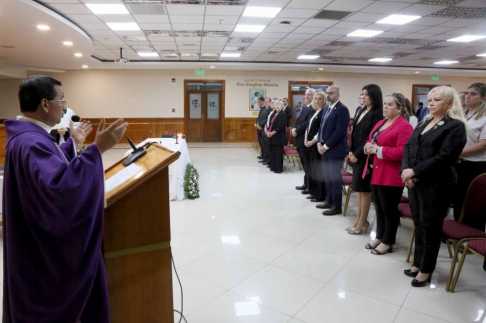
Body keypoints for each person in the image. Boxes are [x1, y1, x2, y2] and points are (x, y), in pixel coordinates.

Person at [2, 75, 128, 321]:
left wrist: (73, 144)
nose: (66, 105)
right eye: (62, 100)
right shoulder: (29, 141)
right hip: (40, 261)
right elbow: (60, 190)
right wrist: (96, 150)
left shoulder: (29, 136)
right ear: (45, 104)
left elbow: (46, 170)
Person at [402, 86, 467, 287]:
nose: (431, 103)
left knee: (431, 227)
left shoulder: (454, 126)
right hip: (415, 182)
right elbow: (408, 146)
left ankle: (426, 269)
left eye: (437, 100)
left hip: (437, 185)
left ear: (449, 103)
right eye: (430, 100)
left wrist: (415, 171)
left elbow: (444, 157)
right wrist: (406, 171)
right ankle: (418, 263)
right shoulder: (425, 122)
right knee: (419, 225)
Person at [362, 93, 413, 254]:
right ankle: (380, 236)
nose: (385, 107)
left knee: (389, 209)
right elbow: (371, 140)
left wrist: (379, 150)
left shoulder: (404, 126)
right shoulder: (381, 122)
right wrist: (368, 146)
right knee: (379, 207)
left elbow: (403, 151)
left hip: (390, 175)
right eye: (385, 104)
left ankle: (388, 240)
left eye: (390, 105)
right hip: (376, 171)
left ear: (400, 108)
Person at [347, 84, 383, 230]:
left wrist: (357, 154)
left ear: (373, 96)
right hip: (356, 154)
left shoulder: (377, 112)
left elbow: (371, 137)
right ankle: (359, 219)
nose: (363, 97)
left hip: (365, 155)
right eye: (362, 94)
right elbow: (353, 133)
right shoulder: (362, 110)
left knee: (365, 190)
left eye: (366, 94)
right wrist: (350, 151)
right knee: (359, 189)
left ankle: (362, 222)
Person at [454, 82, 486, 230]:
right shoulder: (463, 115)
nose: (467, 96)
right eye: (467, 93)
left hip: (475, 165)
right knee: (458, 198)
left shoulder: (484, 117)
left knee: (473, 202)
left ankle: (472, 234)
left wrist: (455, 153)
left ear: (483, 98)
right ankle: (457, 231)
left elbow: (483, 144)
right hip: (458, 163)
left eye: (473, 94)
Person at [317, 86, 350, 215]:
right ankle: (329, 200)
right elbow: (321, 128)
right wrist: (319, 143)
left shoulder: (342, 109)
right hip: (324, 149)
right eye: (327, 93)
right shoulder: (326, 109)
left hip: (335, 150)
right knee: (327, 177)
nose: (328, 95)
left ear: (338, 95)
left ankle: (337, 206)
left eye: (331, 93)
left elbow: (339, 132)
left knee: (335, 178)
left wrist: (326, 146)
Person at [304, 92, 326, 202]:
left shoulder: (323, 112)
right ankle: (313, 192)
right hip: (310, 144)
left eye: (320, 99)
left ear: (324, 100)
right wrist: (305, 138)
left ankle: (319, 195)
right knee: (312, 168)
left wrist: (312, 141)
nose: (317, 100)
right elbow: (309, 127)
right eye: (316, 98)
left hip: (316, 144)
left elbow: (320, 130)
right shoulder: (315, 111)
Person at [292, 88, 316, 191]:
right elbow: (297, 120)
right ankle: (306, 184)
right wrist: (293, 127)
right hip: (299, 139)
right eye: (306, 94)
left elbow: (308, 123)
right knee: (304, 164)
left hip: (305, 139)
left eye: (309, 94)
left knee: (308, 165)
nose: (306, 96)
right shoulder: (305, 107)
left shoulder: (314, 108)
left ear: (314, 96)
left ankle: (310, 186)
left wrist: (297, 130)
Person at [267, 99, 288, 173]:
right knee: (274, 153)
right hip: (273, 137)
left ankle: (278, 169)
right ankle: (273, 167)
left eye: (278, 105)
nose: (277, 106)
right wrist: (269, 132)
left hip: (279, 137)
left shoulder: (283, 114)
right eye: (276, 105)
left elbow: (280, 127)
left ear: (282, 106)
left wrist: (271, 133)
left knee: (278, 154)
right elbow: (271, 124)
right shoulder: (276, 114)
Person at [255, 97, 270, 162]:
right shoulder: (263, 109)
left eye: (267, 101)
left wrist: (260, 124)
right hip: (259, 128)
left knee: (265, 145)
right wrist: (257, 124)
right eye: (265, 101)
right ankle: (263, 155)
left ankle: (266, 158)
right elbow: (259, 117)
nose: (266, 102)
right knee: (261, 143)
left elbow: (267, 119)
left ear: (269, 102)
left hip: (264, 128)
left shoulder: (270, 110)